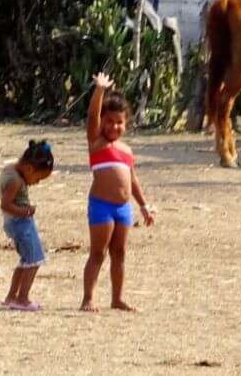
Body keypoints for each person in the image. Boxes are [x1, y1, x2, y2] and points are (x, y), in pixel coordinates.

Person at [81, 72, 155, 312]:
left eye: (119, 122)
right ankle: (88, 298)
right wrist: (100, 90)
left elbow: (132, 179)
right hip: (101, 205)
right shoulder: (96, 143)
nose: (114, 126)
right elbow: (92, 115)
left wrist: (143, 205)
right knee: (97, 253)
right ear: (102, 122)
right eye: (109, 121)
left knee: (119, 253)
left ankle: (117, 298)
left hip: (123, 208)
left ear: (126, 123)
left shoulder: (125, 150)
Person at [0, 140, 54, 311]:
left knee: (25, 261)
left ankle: (12, 296)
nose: (36, 183)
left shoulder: (10, 169)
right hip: (19, 223)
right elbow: (5, 205)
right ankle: (22, 298)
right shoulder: (15, 181)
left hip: (15, 223)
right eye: (38, 178)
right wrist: (26, 212)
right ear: (29, 168)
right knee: (34, 260)